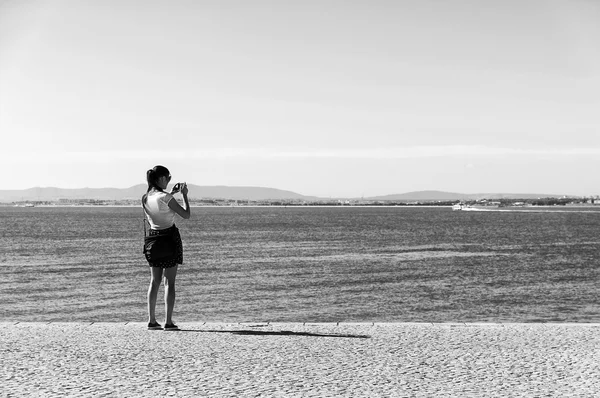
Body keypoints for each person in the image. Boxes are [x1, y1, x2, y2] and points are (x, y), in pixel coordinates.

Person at [142, 165, 190, 331]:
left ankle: (152, 320)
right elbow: (186, 214)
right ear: (161, 178)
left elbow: (159, 207)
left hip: (153, 240)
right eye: (168, 178)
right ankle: (168, 322)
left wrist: (171, 193)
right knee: (169, 281)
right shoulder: (166, 197)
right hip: (169, 239)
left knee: (154, 281)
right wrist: (184, 195)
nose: (169, 180)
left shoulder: (146, 197)